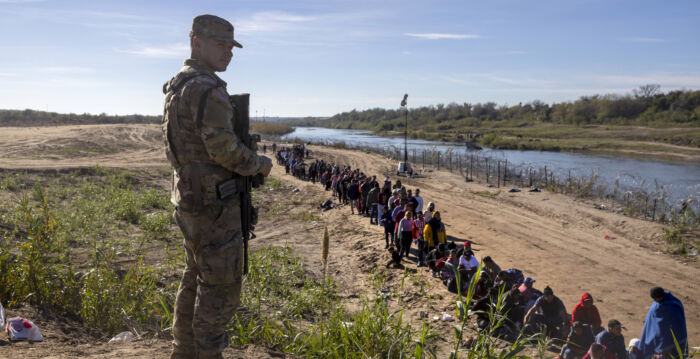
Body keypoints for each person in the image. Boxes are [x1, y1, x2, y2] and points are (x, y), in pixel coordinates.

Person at [163, 14, 273, 359]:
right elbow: (223, 150)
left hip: (189, 198)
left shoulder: (179, 84)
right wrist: (260, 164)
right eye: (221, 45)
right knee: (220, 288)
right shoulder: (208, 89)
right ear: (197, 42)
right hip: (213, 205)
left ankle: (183, 352)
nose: (228, 53)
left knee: (194, 277)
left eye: (231, 46)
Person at [638, 287, 687, 359]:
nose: (655, 300)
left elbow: (653, 327)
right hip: (677, 339)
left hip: (667, 343)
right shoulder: (676, 302)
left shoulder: (656, 308)